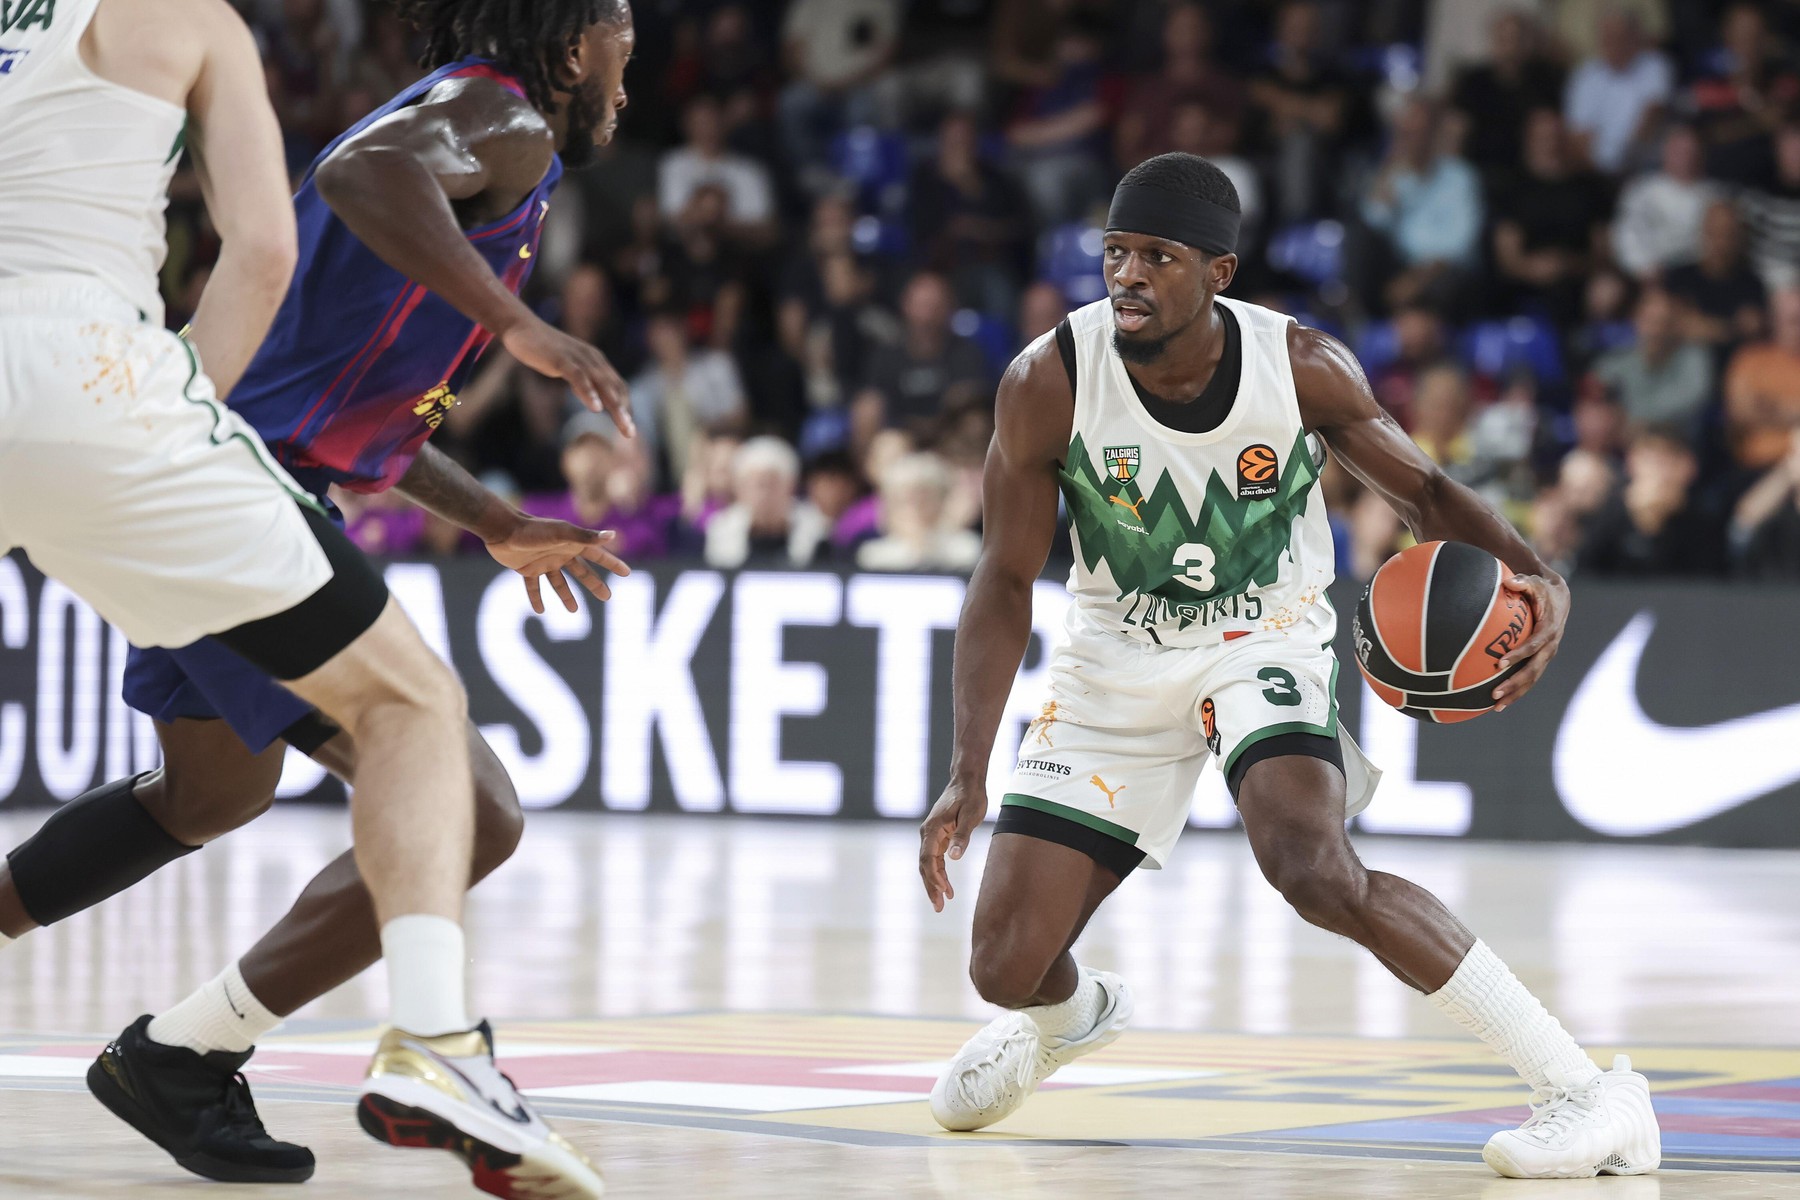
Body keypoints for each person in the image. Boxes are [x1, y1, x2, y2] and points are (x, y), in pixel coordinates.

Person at [917, 153, 1662, 1180]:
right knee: (1004, 968)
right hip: (1113, 660)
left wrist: (1543, 579)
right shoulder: (1048, 378)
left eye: (1157, 258)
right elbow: (1003, 578)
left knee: (1311, 867)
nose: (1127, 275)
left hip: (1261, 640)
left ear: (1219, 271)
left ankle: (1588, 1090)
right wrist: (967, 769)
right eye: (1116, 253)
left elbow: (1429, 493)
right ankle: (1074, 1018)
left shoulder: (1300, 364)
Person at [0, 0, 639, 1195]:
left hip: (168, 446)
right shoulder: (497, 120)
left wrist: (496, 520)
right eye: (621, 45)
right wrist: (518, 323)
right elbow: (358, 171)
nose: (627, 74)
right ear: (566, 49)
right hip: (206, 469)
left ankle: (176, 1061)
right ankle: (198, 1053)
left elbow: (367, 405)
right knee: (472, 802)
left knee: (212, 790)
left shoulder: (482, 145)